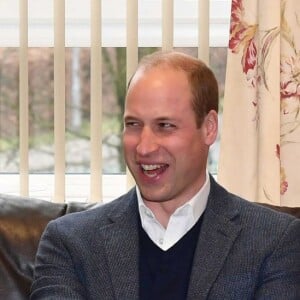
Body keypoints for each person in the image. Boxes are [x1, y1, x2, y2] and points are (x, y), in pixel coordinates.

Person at [31, 51, 300, 299]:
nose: (144, 147)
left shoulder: (275, 242)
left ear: (208, 128)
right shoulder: (69, 243)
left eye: (165, 126)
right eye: (133, 125)